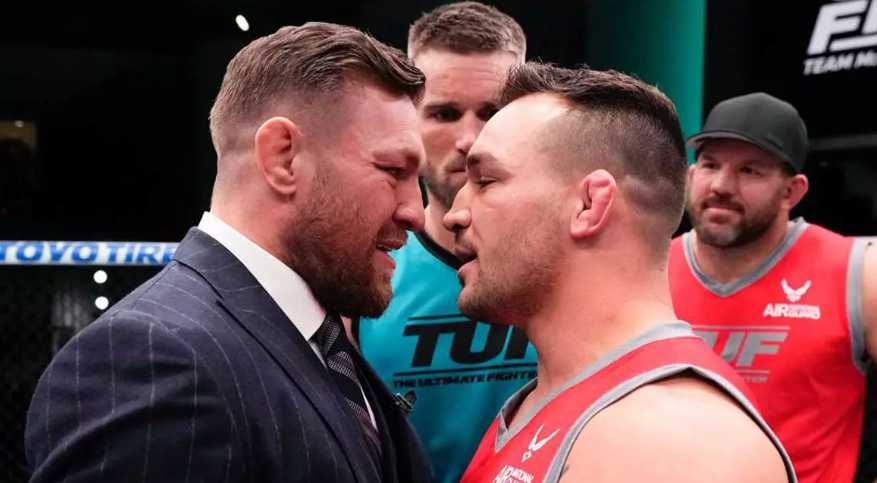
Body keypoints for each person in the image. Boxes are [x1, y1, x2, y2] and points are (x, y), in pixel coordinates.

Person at [25, 22, 431, 483]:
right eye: (393, 170)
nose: (416, 212)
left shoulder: (320, 339)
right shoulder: (153, 358)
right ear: (283, 158)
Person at [445, 64, 796, 483]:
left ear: (589, 205)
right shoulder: (553, 400)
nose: (454, 214)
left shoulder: (675, 442)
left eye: (485, 181)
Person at [353, 3, 535, 482]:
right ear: (410, 119)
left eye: (492, 112)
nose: (469, 139)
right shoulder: (359, 275)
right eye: (445, 113)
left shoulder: (572, 269)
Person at [669, 92, 877, 483]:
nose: (722, 185)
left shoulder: (858, 272)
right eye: (710, 164)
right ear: (691, 174)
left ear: (791, 192)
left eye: (750, 171)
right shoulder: (648, 269)